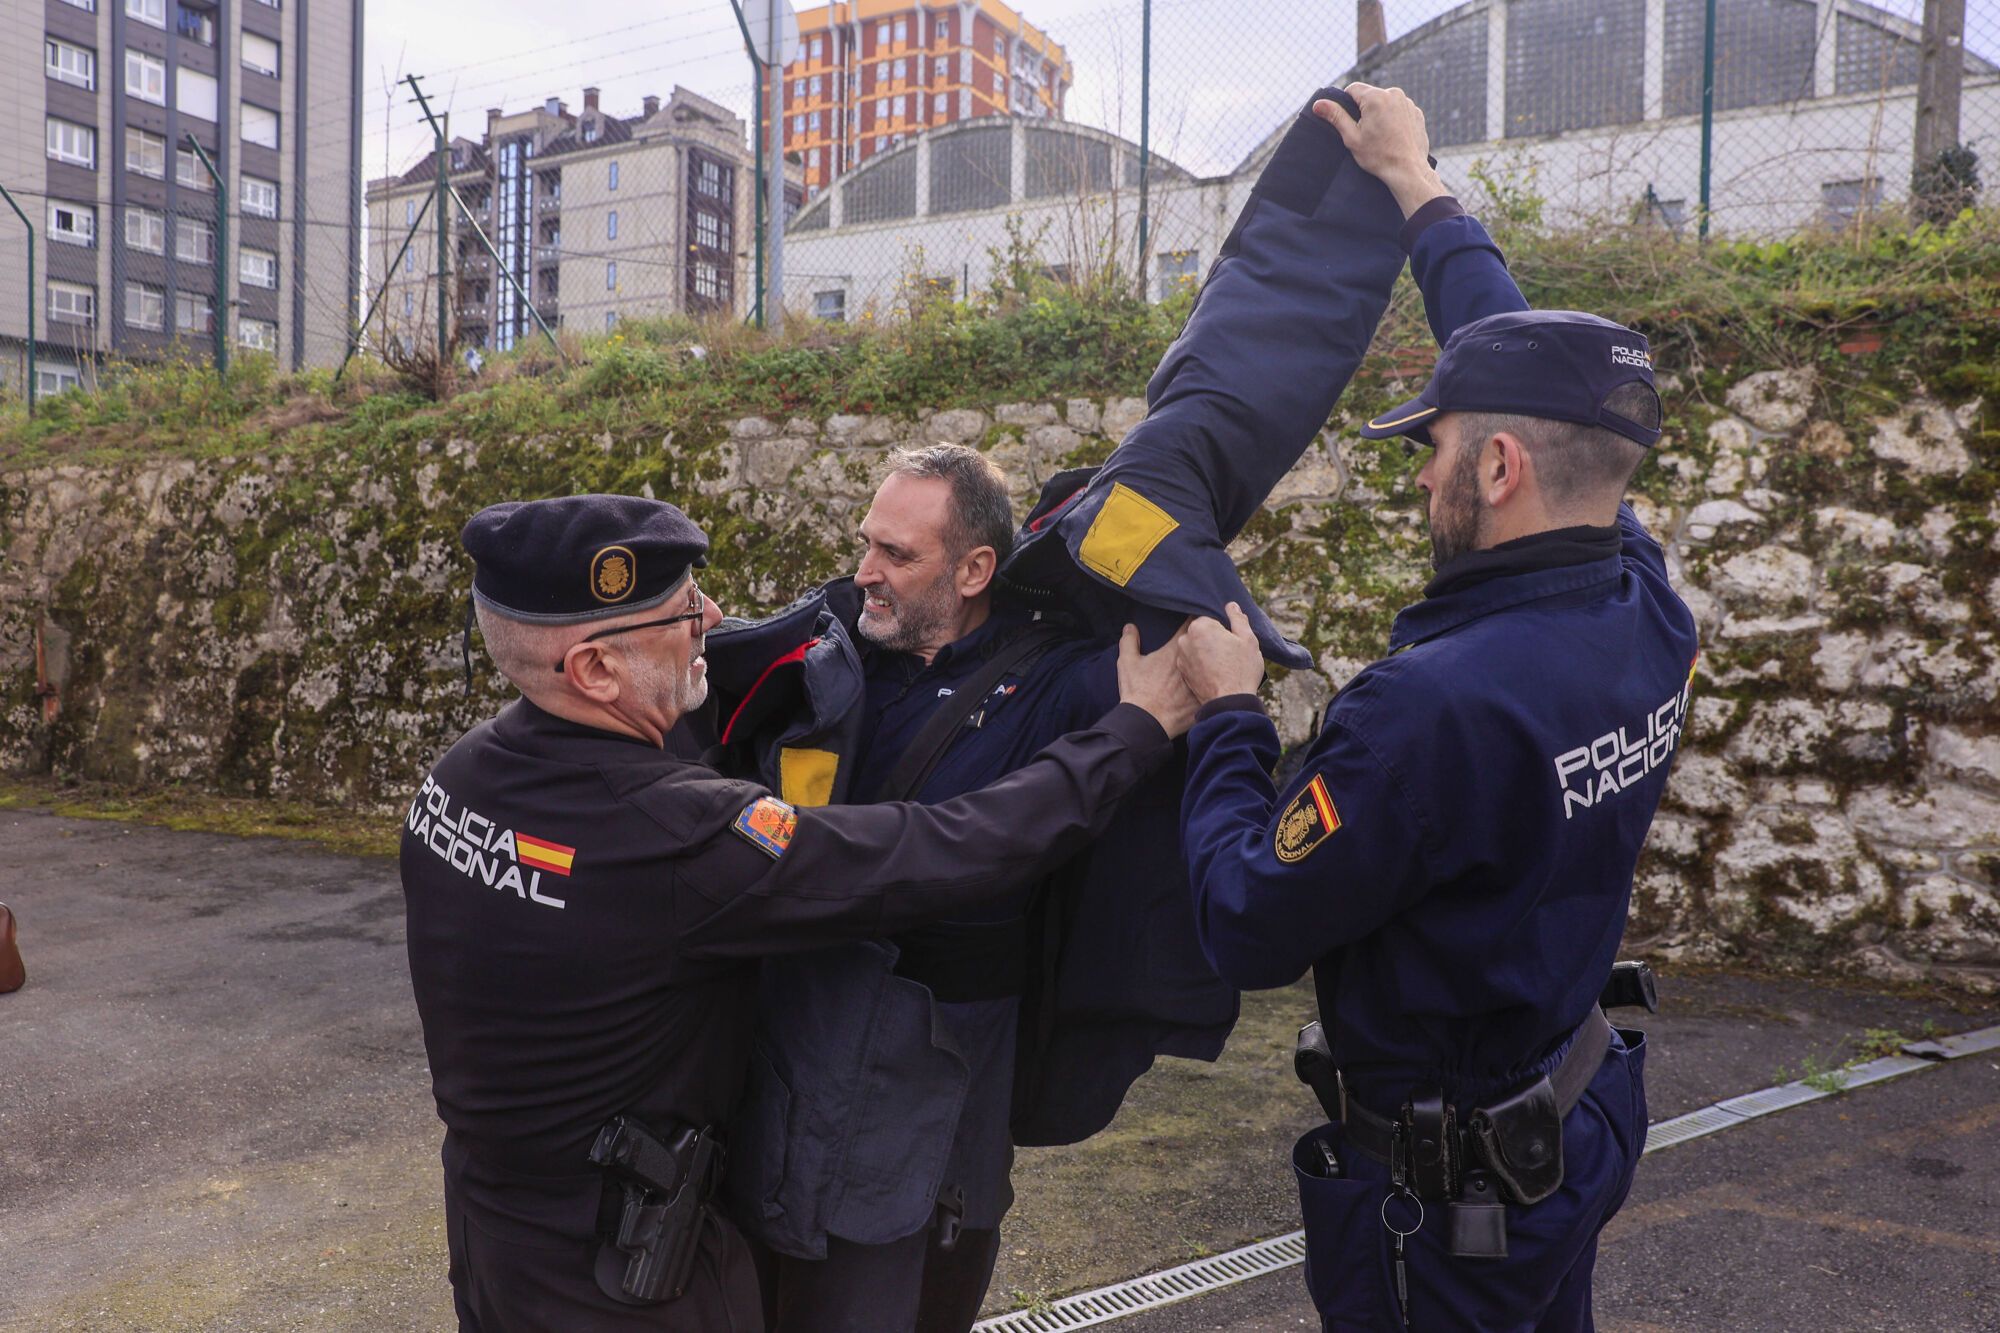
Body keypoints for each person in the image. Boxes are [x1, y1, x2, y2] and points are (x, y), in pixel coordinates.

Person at [701, 85, 1411, 1333]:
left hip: (944, 1078)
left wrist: (1336, 197)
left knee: (923, 1292)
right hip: (793, 1064)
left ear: (976, 569)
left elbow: (1216, 407)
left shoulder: (1082, 673)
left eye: (898, 556)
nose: (864, 570)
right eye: (862, 542)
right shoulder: (821, 649)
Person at [397, 492, 1198, 1332]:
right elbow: (942, 850)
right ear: (596, 671)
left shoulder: (456, 782)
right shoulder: (676, 835)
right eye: (680, 613)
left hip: (493, 1237)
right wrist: (1137, 728)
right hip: (620, 1275)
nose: (711, 616)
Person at [1173, 84, 1699, 1332]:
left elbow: (1247, 921)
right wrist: (1419, 191)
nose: (1422, 473)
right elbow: (1534, 370)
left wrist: (1229, 722)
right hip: (1567, 1121)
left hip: (1451, 1204)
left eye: (1434, 445)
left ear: (1499, 467)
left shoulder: (1423, 713)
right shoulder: (1639, 596)